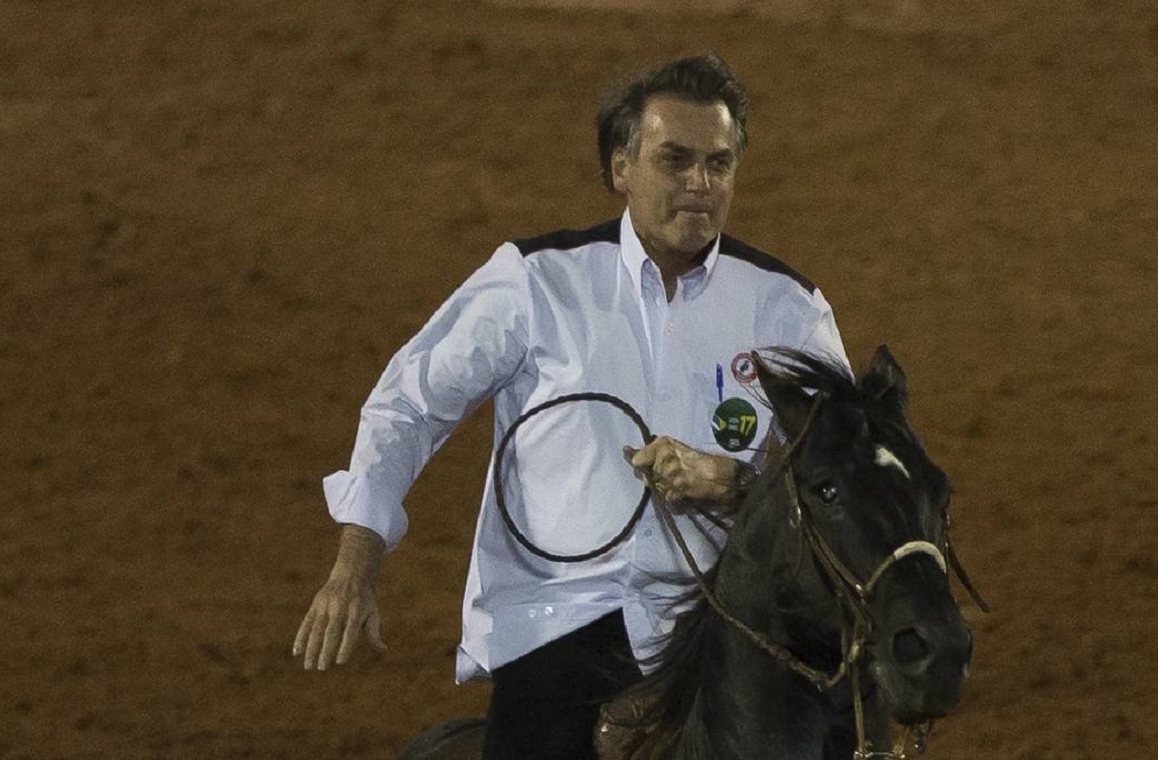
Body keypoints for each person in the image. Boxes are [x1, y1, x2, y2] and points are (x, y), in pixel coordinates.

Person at [292, 54, 848, 759]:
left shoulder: (787, 308)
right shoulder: (536, 282)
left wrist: (737, 482)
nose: (700, 184)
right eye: (675, 160)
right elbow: (410, 404)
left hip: (723, 624)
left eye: (719, 163)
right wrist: (356, 563)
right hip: (562, 618)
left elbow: (847, 478)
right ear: (621, 168)